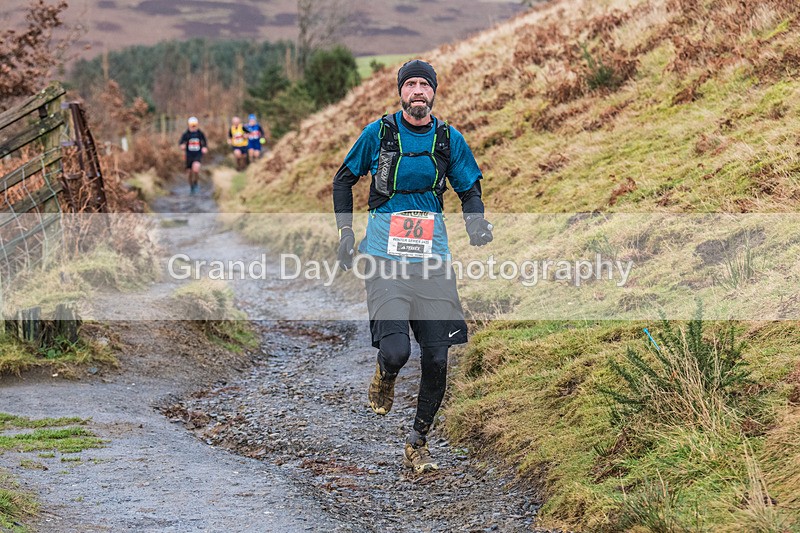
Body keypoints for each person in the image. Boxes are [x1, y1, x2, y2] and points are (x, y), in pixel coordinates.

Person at [332, 60, 494, 473]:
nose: (418, 91)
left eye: (425, 84)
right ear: (401, 92)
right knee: (397, 350)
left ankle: (417, 442)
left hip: (432, 262)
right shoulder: (380, 134)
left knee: (438, 359)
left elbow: (469, 187)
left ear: (433, 93)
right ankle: (385, 373)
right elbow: (343, 179)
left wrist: (475, 222)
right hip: (385, 260)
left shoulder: (447, 139)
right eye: (411, 85)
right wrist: (346, 233)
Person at [178, 116, 208, 195]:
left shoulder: (200, 133)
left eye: (195, 125)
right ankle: (191, 187)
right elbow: (181, 143)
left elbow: (204, 142)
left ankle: (196, 184)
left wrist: (204, 148)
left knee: (196, 168)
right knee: (190, 172)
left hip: (197, 154)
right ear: (189, 125)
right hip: (189, 155)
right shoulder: (186, 134)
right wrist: (182, 146)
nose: (193, 127)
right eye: (192, 125)